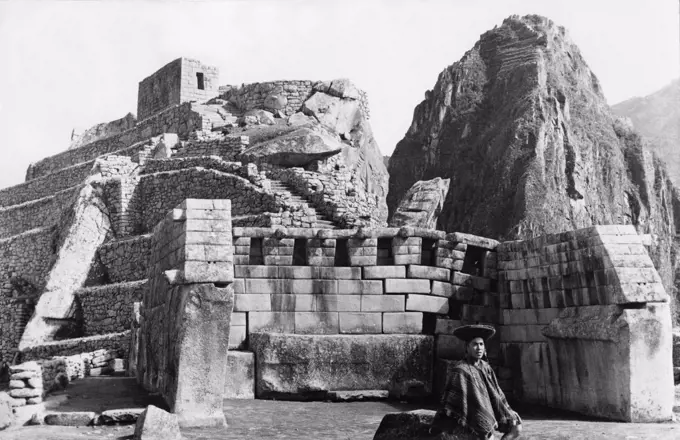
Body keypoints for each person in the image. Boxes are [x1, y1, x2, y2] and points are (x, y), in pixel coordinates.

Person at [434, 324, 522, 440]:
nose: (479, 348)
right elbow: (453, 400)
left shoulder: (486, 367)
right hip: (469, 417)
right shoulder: (460, 370)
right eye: (475, 344)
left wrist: (508, 411)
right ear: (467, 347)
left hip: (488, 411)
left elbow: (496, 393)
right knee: (486, 433)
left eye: (481, 344)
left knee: (517, 427)